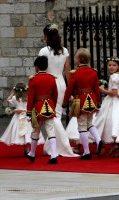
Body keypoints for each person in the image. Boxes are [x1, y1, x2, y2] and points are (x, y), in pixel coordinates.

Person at [38, 23, 78, 157]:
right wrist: (70, 89)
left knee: (52, 116)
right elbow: (67, 71)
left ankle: (64, 145)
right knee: (57, 115)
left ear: (46, 36)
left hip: (48, 82)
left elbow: (39, 69)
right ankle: (51, 146)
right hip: (61, 83)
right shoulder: (64, 50)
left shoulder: (44, 51)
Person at [62, 48, 103, 160]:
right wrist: (98, 103)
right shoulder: (93, 72)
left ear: (79, 60)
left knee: (82, 126)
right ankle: (99, 140)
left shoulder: (75, 73)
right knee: (89, 123)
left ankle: (86, 152)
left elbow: (69, 89)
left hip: (81, 100)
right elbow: (96, 89)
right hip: (92, 99)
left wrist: (64, 104)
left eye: (75, 57)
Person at [93, 56, 119, 157]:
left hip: (114, 101)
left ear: (118, 66)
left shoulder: (114, 77)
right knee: (117, 123)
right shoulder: (118, 75)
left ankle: (118, 147)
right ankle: (118, 147)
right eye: (109, 65)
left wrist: (102, 90)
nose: (111, 67)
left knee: (111, 122)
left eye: (114, 65)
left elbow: (113, 93)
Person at [26, 55, 58, 164]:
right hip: (49, 106)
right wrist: (53, 106)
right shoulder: (52, 78)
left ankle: (32, 153)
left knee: (36, 130)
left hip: (38, 107)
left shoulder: (33, 80)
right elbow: (55, 95)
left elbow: (30, 97)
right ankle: (53, 155)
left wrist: (29, 112)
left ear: (36, 67)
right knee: (51, 131)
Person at [0, 83, 31, 156]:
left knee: (24, 132)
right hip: (26, 117)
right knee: (26, 132)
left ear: (15, 90)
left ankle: (27, 150)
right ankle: (27, 150)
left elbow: (8, 99)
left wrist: (12, 93)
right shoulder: (28, 97)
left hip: (20, 117)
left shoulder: (15, 98)